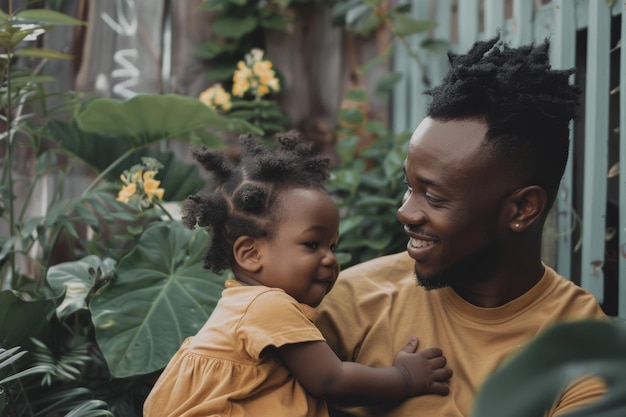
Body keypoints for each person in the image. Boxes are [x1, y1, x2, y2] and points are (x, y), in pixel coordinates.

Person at [316, 36, 608, 417]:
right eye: (410, 187)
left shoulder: (579, 350)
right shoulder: (352, 302)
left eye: (434, 197)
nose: (406, 213)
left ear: (522, 208)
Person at [143, 131, 452, 417]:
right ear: (251, 254)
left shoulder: (242, 306)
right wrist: (405, 377)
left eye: (332, 246)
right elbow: (333, 381)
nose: (330, 259)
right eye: (312, 244)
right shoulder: (269, 306)